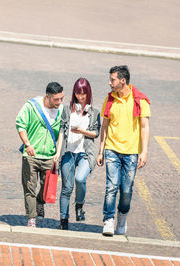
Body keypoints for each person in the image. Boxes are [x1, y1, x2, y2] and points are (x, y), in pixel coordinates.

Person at [96, 65, 150, 236]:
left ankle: (122, 217)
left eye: (112, 80)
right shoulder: (110, 99)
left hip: (131, 152)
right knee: (111, 186)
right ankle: (108, 220)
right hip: (112, 148)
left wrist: (144, 151)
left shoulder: (139, 100)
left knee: (126, 190)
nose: (109, 83)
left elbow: (145, 127)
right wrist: (101, 150)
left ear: (123, 81)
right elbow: (104, 125)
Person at [54, 78, 101, 230]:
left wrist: (82, 131)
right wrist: (57, 152)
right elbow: (62, 131)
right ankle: (63, 221)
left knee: (80, 179)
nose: (80, 96)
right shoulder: (67, 110)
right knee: (66, 188)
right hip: (69, 151)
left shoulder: (94, 112)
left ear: (88, 93)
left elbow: (96, 133)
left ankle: (79, 204)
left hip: (85, 153)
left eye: (83, 93)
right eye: (77, 93)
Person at [16, 82, 64, 227]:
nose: (60, 102)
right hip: (31, 155)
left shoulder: (61, 110)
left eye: (62, 98)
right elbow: (21, 124)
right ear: (48, 97)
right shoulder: (31, 106)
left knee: (46, 189)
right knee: (29, 188)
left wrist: (57, 151)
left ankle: (40, 202)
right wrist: (27, 144)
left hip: (49, 156)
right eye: (56, 99)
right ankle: (31, 218)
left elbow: (62, 131)